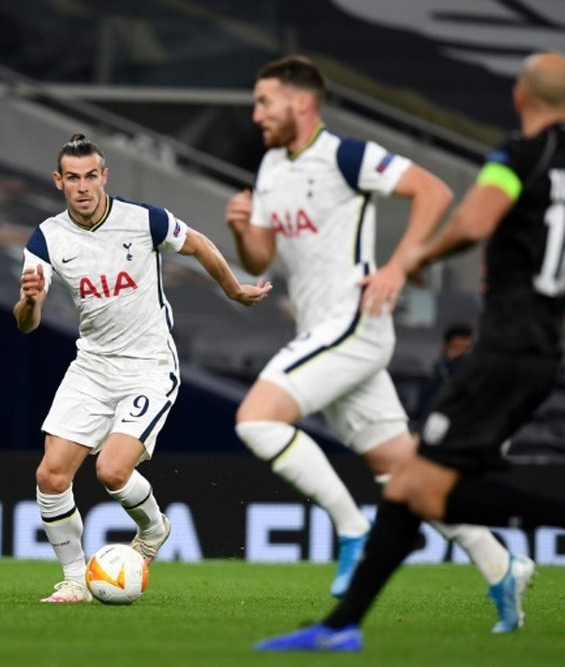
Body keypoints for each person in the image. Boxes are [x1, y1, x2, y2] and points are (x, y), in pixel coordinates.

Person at [255, 50, 565, 651]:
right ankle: (349, 625)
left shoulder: (515, 158)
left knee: (415, 485)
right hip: (545, 353)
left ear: (519, 98)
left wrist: (413, 258)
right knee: (414, 483)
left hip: (501, 350)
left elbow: (474, 219)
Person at [226, 55, 533, 633]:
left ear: (302, 103)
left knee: (256, 420)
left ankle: (351, 528)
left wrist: (399, 264)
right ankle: (502, 564)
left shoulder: (345, 155)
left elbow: (433, 191)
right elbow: (261, 259)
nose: (256, 113)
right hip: (321, 331)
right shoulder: (271, 166)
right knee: (404, 472)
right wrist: (244, 229)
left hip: (353, 322)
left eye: (265, 101)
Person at [15, 133, 271, 603]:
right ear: (59, 182)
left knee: (112, 472)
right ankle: (74, 580)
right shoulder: (47, 238)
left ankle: (153, 530)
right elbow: (27, 325)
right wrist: (30, 301)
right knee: (51, 476)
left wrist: (233, 289)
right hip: (92, 366)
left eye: (91, 176)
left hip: (149, 365)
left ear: (104, 176)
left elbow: (197, 244)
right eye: (73, 178)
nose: (84, 187)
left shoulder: (143, 220)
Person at [413, 322, 475, 422]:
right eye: (456, 349)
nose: (461, 356)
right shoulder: (433, 377)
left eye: (466, 350)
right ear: (445, 349)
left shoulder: (477, 380)